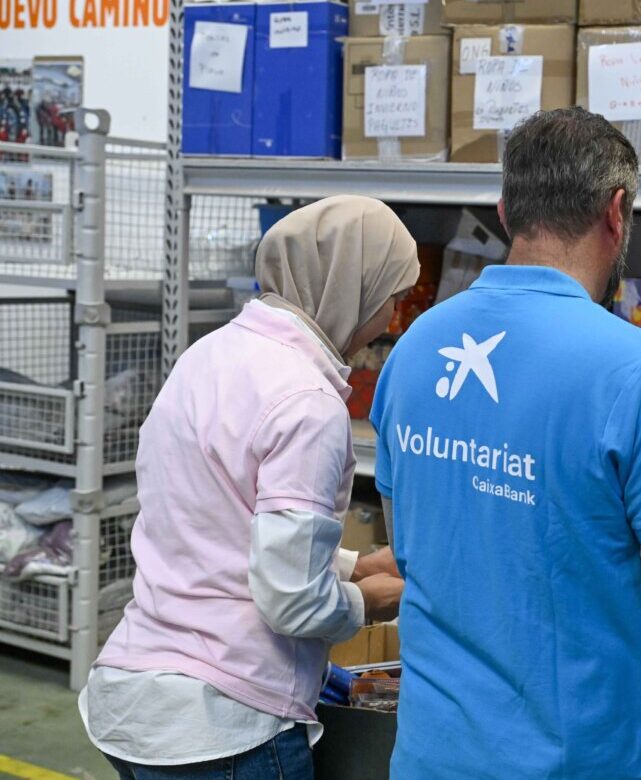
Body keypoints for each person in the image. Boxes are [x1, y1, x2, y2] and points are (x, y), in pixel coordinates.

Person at [370, 107, 641, 779]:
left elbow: (410, 546)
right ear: (617, 210)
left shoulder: (418, 345)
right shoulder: (639, 370)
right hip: (582, 762)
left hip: (434, 756)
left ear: (505, 209)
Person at [80, 195, 415, 779]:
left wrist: (358, 565)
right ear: (351, 286)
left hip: (136, 700)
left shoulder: (207, 356)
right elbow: (291, 601)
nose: (390, 319)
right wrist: (386, 600)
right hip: (224, 724)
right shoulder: (308, 403)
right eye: (391, 295)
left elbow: (219, 526)